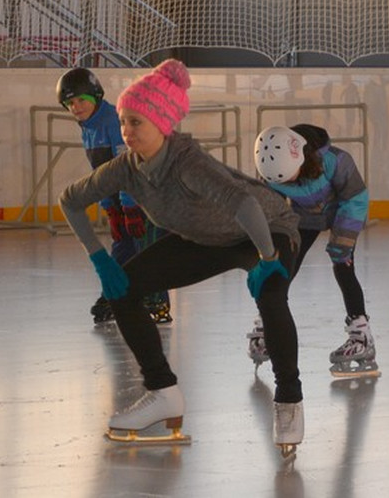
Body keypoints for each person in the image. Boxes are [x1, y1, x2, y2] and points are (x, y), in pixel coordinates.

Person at [58, 59, 305, 457]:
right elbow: (70, 201)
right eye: (123, 121)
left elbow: (243, 203)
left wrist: (268, 257)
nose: (126, 131)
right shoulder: (126, 167)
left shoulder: (187, 162)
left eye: (136, 122)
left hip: (266, 230)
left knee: (271, 296)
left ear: (162, 123)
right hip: (204, 238)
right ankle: (163, 392)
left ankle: (289, 401)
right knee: (122, 288)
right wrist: (100, 258)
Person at [252, 123, 377, 379]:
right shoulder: (271, 172)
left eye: (291, 177)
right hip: (304, 217)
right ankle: (268, 325)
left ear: (301, 160)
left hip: (344, 209)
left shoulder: (336, 161)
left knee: (343, 267)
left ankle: (361, 335)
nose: (289, 183)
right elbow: (269, 210)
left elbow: (356, 198)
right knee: (283, 265)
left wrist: (343, 240)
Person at [56, 67, 172, 325]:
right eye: (70, 103)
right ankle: (112, 295)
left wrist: (130, 207)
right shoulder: (88, 126)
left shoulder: (113, 121)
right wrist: (110, 206)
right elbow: (101, 172)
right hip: (122, 196)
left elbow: (130, 165)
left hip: (146, 194)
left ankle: (158, 302)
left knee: (147, 247)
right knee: (122, 247)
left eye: (81, 101)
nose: (76, 107)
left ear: (96, 96)